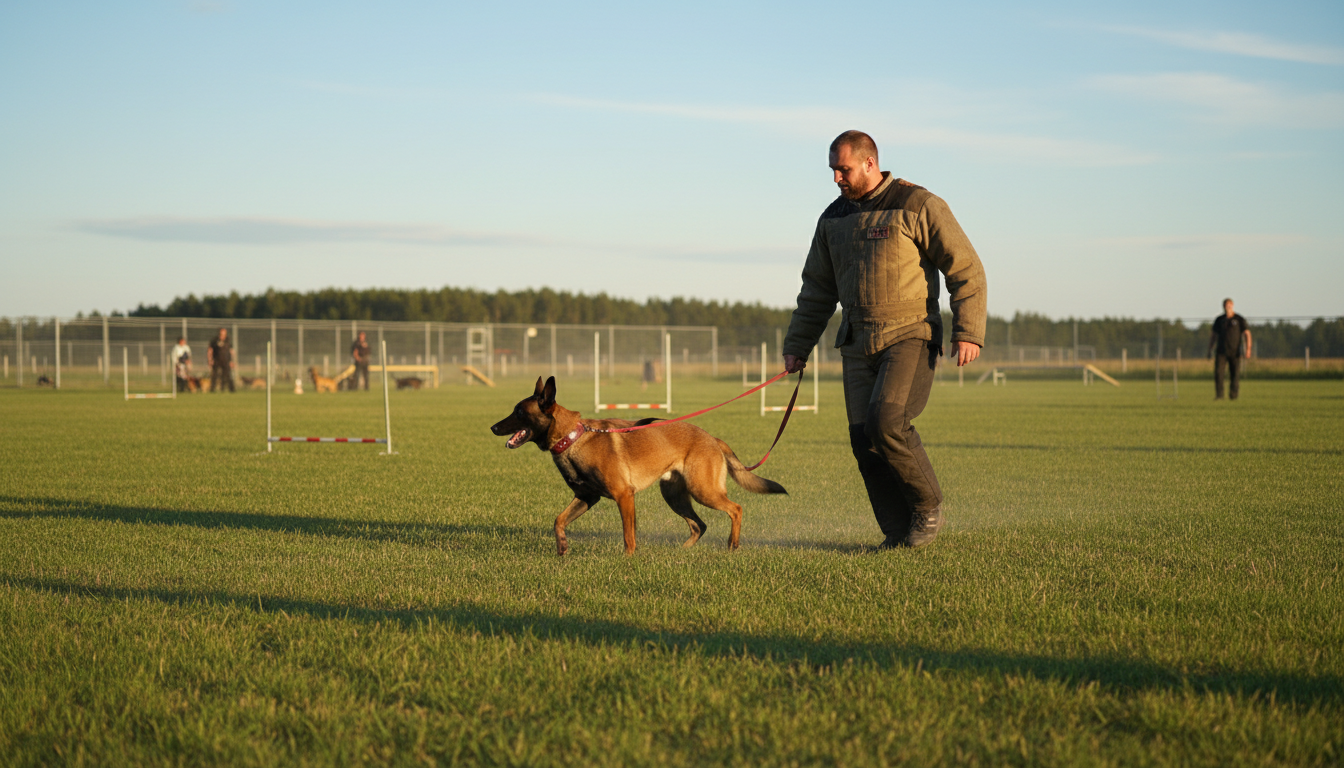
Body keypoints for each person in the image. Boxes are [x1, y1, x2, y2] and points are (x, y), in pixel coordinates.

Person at [781, 130, 987, 550]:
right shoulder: (832, 219)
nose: (836, 177)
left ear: (870, 164)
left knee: (887, 423)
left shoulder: (918, 204)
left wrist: (969, 331)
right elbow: (817, 289)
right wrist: (797, 345)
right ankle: (896, 534)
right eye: (833, 170)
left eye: (844, 168)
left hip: (909, 335)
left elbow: (965, 267)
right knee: (863, 441)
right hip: (856, 342)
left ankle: (927, 509)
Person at [1208, 298, 1252, 400]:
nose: (1227, 307)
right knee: (1219, 374)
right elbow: (1213, 335)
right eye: (1225, 305)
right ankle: (1219, 395)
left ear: (1232, 306)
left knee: (1235, 375)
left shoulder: (1239, 319)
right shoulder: (1219, 320)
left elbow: (1247, 333)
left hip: (1235, 352)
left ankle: (1233, 395)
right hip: (1221, 352)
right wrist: (1210, 349)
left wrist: (1248, 348)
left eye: (1229, 305)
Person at [206, 328, 235, 393]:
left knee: (228, 375)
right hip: (216, 360)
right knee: (214, 375)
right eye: (221, 333)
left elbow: (232, 351)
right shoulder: (215, 340)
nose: (223, 335)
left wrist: (232, 361)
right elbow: (210, 350)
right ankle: (212, 389)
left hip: (226, 360)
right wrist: (210, 360)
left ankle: (231, 390)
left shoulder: (228, 340)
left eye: (224, 333)